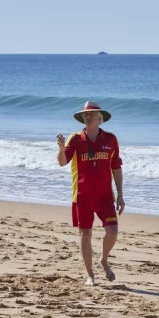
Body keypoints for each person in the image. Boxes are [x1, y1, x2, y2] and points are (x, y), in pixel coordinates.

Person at [56, 101, 125, 286]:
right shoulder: (76, 139)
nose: (88, 117)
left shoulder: (111, 139)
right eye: (85, 115)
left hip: (104, 197)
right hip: (82, 196)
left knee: (112, 231)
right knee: (85, 235)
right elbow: (62, 162)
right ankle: (90, 275)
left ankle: (104, 260)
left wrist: (120, 195)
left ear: (100, 119)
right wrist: (62, 149)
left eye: (92, 114)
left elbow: (116, 167)